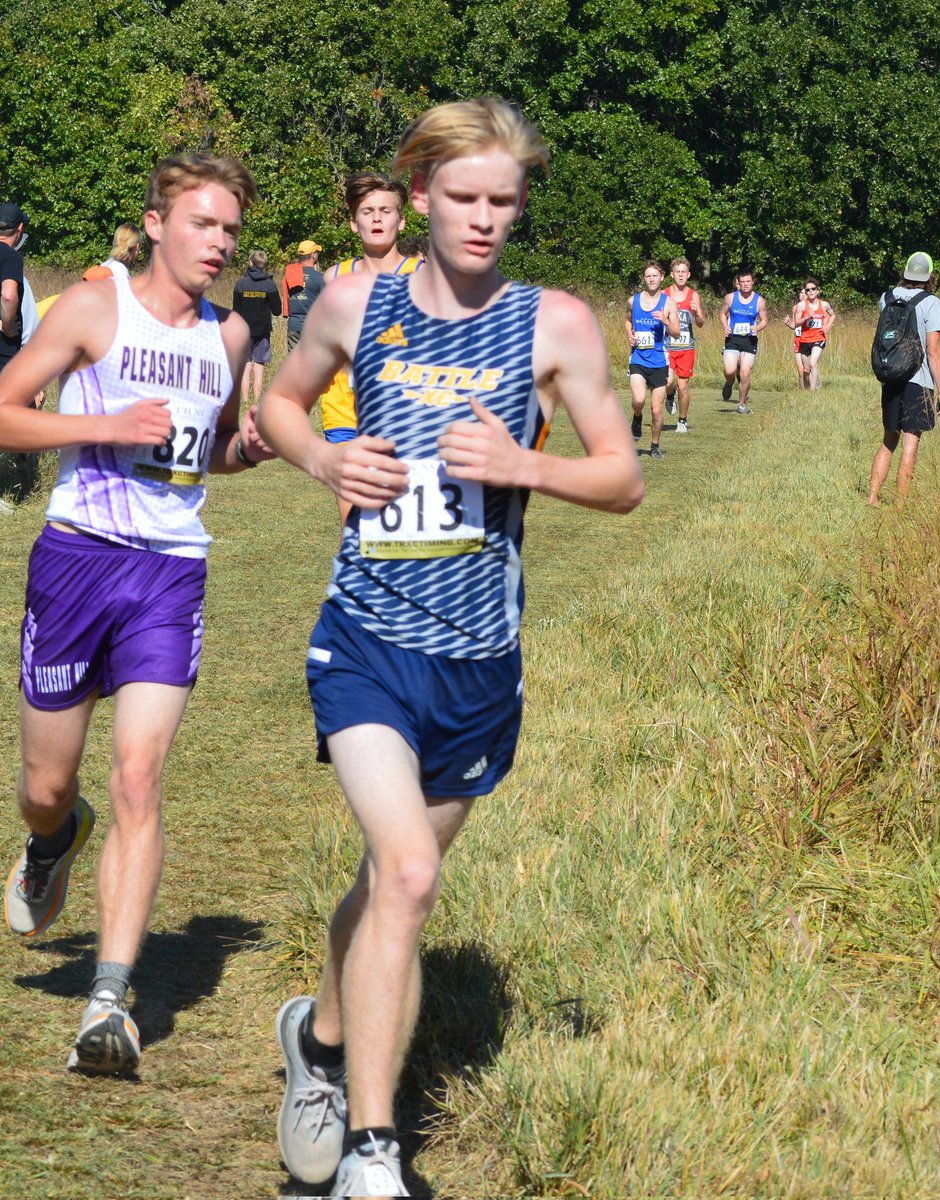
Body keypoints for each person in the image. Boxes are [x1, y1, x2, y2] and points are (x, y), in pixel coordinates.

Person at [257, 97, 643, 1198]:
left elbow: (620, 477)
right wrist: (328, 464)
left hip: (479, 663)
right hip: (368, 639)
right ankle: (373, 1157)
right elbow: (283, 407)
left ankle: (319, 1045)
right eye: (463, 198)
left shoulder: (553, 324)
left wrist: (526, 467)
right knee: (411, 873)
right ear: (417, 193)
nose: (481, 221)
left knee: (389, 882)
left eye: (503, 204)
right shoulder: (353, 300)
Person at [0, 154, 274, 1075]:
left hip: (170, 572)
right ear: (156, 223)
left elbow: (210, 455)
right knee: (47, 789)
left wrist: (257, 446)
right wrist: (105, 427)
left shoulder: (230, 337)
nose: (220, 244)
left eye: (231, 231)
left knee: (140, 778)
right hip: (76, 560)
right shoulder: (93, 306)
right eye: (204, 224)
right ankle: (52, 838)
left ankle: (108, 1003)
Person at [320, 173, 423, 524]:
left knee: (402, 526)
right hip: (345, 413)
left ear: (401, 219)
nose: (377, 218)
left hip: (404, 415)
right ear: (353, 223)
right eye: (367, 211)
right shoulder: (335, 277)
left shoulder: (424, 276)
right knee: (354, 526)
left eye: (385, 210)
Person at [868, 252, 940, 506]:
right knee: (910, 443)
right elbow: (934, 350)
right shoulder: (932, 303)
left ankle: (872, 497)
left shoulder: (886, 298)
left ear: (905, 273)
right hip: (919, 380)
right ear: (930, 276)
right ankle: (901, 506)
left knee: (889, 439)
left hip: (891, 377)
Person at [625, 261, 679, 458]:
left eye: (655, 275)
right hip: (638, 358)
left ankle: (655, 445)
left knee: (656, 411)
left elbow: (676, 332)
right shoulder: (633, 300)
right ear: (644, 278)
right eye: (648, 276)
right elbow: (627, 320)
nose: (651, 279)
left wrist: (665, 321)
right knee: (638, 400)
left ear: (662, 277)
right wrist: (630, 334)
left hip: (659, 362)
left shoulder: (669, 303)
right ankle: (637, 418)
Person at [232, 248, 281, 404]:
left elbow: (235, 312)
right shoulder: (269, 285)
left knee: (246, 367)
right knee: (259, 367)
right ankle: (257, 401)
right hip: (263, 332)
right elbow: (278, 311)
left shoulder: (241, 284)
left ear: (250, 262)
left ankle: (245, 401)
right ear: (264, 264)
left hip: (244, 332)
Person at [663, 257, 704, 434]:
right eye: (677, 272)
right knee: (668, 381)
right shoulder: (664, 294)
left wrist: (696, 313)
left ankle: (682, 420)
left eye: (683, 272)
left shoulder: (693, 295)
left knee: (683, 386)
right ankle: (670, 396)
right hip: (668, 346)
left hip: (686, 347)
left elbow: (701, 323)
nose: (680, 275)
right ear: (672, 274)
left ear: (689, 275)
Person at [720, 268, 768, 414]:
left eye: (748, 281)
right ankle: (729, 382)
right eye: (743, 282)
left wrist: (757, 327)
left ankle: (742, 404)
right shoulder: (730, 298)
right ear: (738, 283)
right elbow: (722, 314)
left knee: (745, 373)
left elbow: (765, 320)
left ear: (753, 282)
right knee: (730, 370)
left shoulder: (759, 300)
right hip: (732, 339)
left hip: (749, 340)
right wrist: (725, 326)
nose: (746, 284)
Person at [791, 277, 836, 391]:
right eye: (808, 290)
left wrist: (828, 326)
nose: (810, 291)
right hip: (805, 340)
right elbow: (796, 323)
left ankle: (812, 392)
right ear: (805, 292)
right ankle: (806, 387)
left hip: (819, 338)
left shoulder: (824, 305)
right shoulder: (801, 306)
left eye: (813, 289)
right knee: (806, 369)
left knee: (813, 363)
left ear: (818, 291)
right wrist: (806, 316)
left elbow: (833, 315)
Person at [282, 239, 325, 351]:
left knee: (294, 362)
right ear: (313, 255)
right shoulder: (319, 278)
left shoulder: (290, 274)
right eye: (317, 252)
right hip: (312, 327)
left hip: (294, 325)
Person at [0, 202, 27, 376]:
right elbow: (8, 295)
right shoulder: (11, 257)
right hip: (3, 350)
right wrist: (8, 326)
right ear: (20, 228)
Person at [784, 286, 808, 390]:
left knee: (809, 368)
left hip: (809, 340)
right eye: (801, 293)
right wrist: (788, 323)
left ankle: (812, 388)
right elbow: (794, 326)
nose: (803, 295)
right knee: (801, 369)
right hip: (798, 340)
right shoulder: (795, 308)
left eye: (805, 293)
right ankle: (803, 393)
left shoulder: (813, 307)